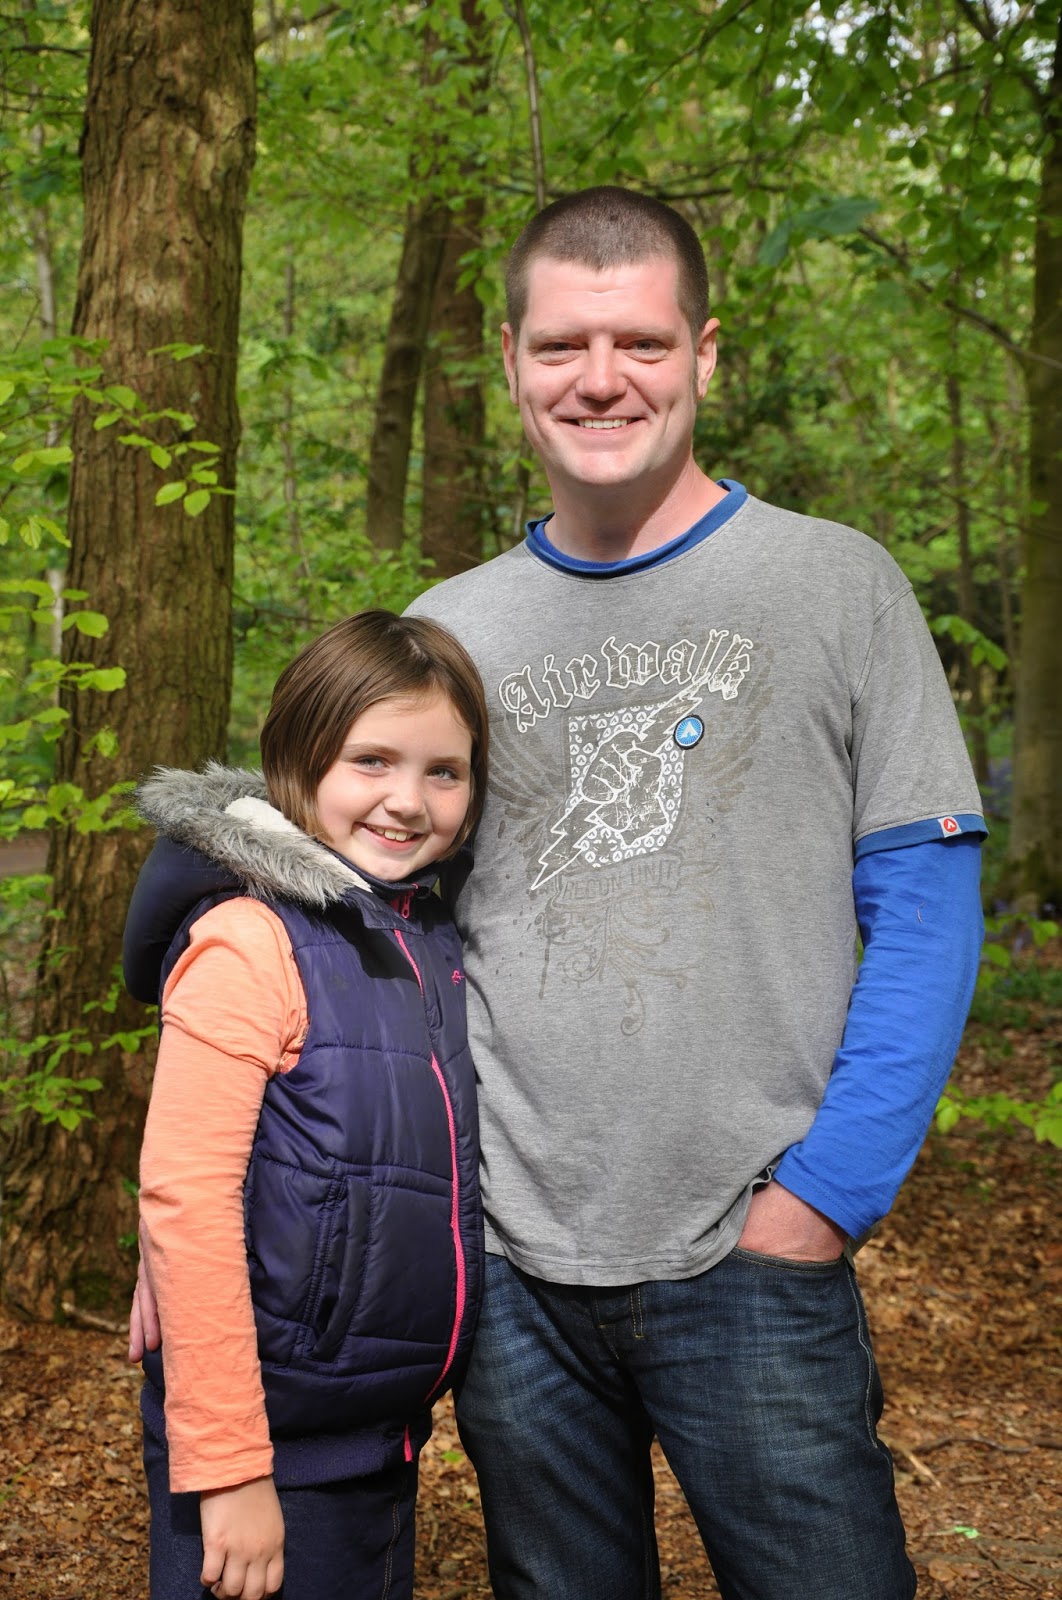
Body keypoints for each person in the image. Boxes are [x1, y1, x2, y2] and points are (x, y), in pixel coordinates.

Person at [131, 187, 985, 1600]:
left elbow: (926, 905)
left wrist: (826, 1196)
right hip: (508, 1263)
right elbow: (335, 922)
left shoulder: (837, 586)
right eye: (562, 345)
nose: (602, 379)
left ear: (705, 353)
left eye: (641, 342)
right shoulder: (451, 627)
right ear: (512, 362)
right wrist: (191, 1220)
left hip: (752, 1249)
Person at [125, 610, 487, 1600]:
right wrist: (230, 1467)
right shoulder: (250, 941)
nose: (408, 800)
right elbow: (187, 1197)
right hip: (265, 1454)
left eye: (445, 772)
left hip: (379, 1439)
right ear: (299, 759)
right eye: (372, 761)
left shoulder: (419, 935)